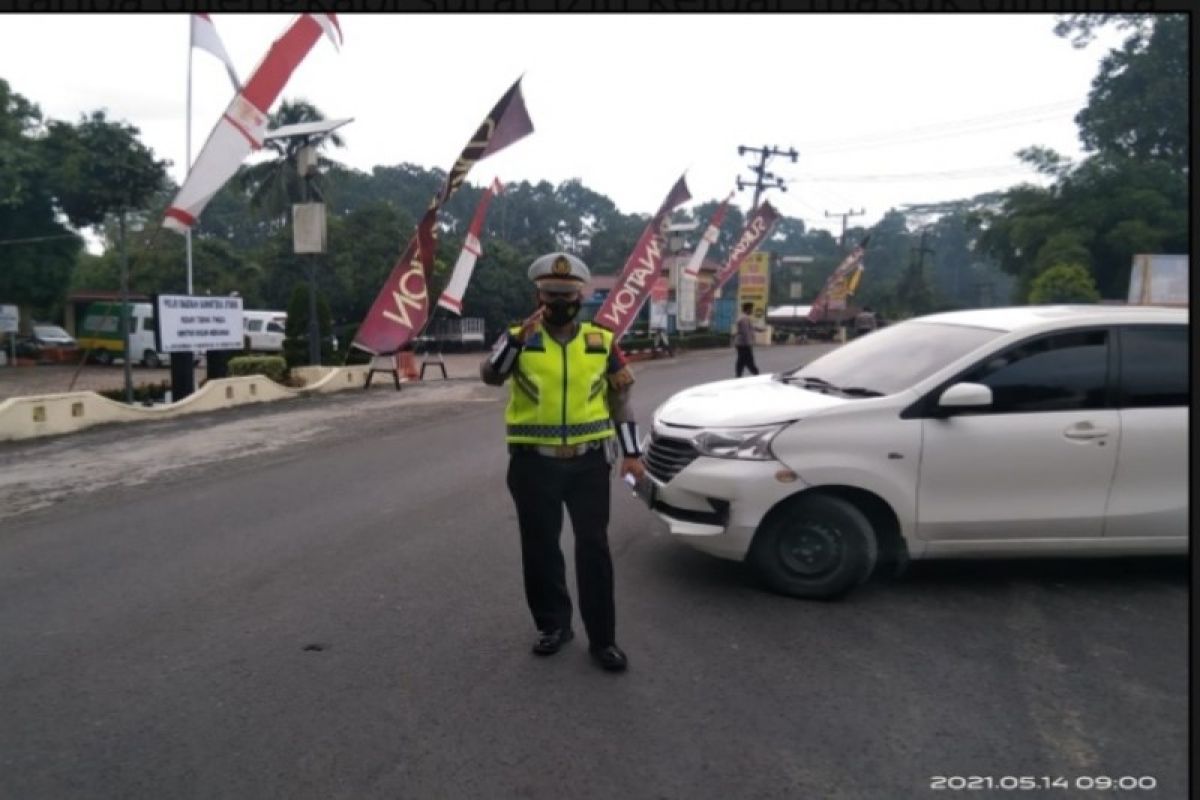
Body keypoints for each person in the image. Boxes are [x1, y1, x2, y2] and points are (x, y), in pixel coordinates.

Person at [479, 252, 645, 673]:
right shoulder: (519, 338)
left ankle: (603, 639)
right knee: (540, 548)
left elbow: (620, 401)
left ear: (581, 296)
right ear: (538, 295)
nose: (558, 302)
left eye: (567, 295)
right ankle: (553, 625)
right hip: (533, 466)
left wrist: (631, 454)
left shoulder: (601, 341)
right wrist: (516, 341)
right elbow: (491, 376)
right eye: (551, 295)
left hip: (589, 465)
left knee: (594, 549)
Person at [734, 302, 764, 377]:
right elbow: (745, 332)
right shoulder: (744, 319)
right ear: (748, 309)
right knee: (749, 360)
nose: (752, 311)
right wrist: (749, 343)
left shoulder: (744, 317)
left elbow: (751, 327)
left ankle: (738, 375)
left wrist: (759, 329)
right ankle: (756, 375)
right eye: (751, 309)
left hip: (741, 343)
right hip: (744, 344)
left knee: (742, 360)